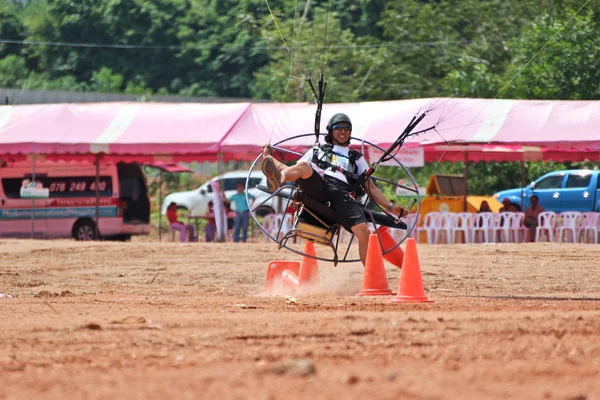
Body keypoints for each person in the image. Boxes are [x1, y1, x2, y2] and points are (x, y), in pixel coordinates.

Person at [262, 112, 407, 267]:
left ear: (350, 132)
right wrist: (269, 159)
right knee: (304, 166)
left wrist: (391, 207)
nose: (342, 131)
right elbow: (295, 170)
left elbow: (370, 188)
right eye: (338, 128)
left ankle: (372, 279)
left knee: (364, 231)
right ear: (331, 131)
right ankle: (278, 179)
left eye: (346, 128)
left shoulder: (356, 158)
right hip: (319, 187)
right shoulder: (317, 151)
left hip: (342, 195)